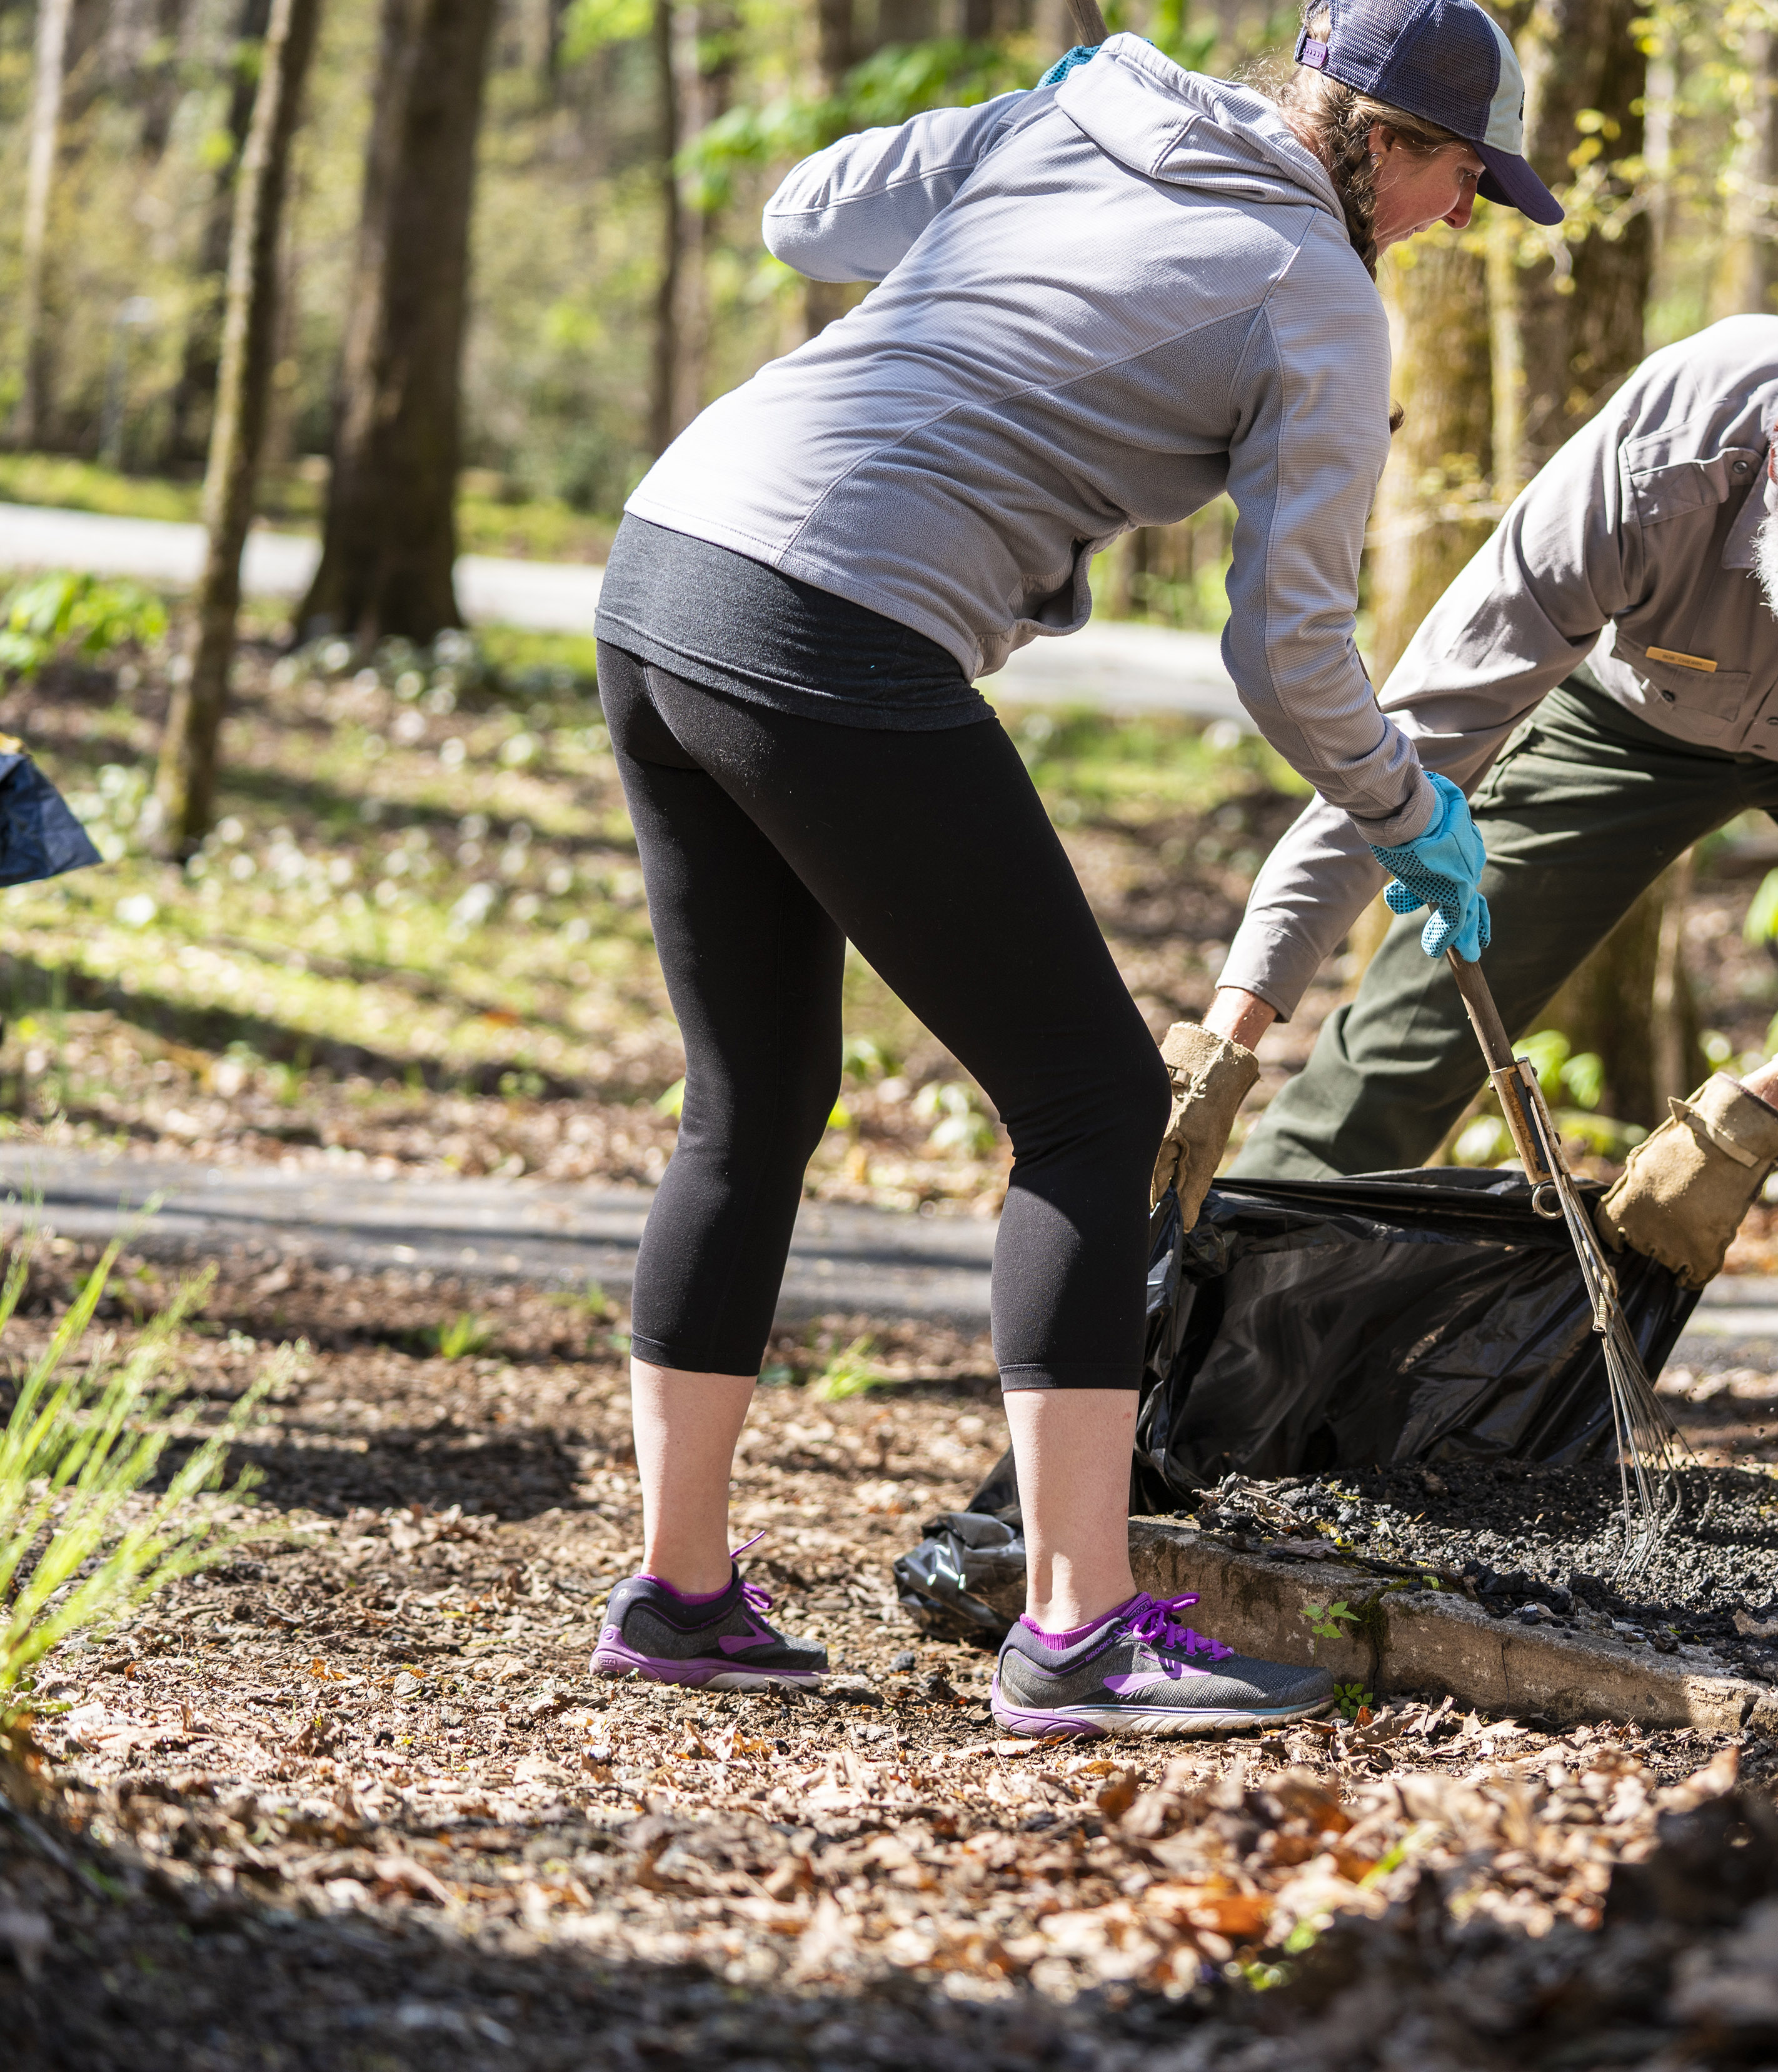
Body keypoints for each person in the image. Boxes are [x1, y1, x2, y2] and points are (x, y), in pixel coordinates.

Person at [581, 3, 1562, 1737]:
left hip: (669, 562)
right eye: (1460, 177)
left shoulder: (1071, 129)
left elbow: (804, 211)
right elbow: (1290, 647)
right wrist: (1405, 801)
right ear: (1386, 144)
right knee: (1098, 1099)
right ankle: (1080, 1627)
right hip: (830, 620)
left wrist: (998, 126)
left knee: (753, 1096)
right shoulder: (1317, 298)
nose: (1460, 219)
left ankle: (679, 1587)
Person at [1165, 314, 1778, 1552]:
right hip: (1631, 716)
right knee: (1406, 1037)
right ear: (1775, 470)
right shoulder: (1652, 461)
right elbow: (1399, 750)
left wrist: (1766, 1106)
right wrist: (1237, 1019)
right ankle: (1184, 1426)